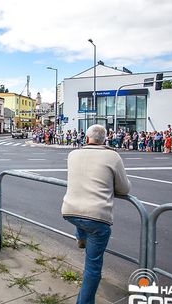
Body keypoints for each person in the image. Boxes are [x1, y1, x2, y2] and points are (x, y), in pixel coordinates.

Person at [61, 124, 131, 303]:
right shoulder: (112, 156)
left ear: (86, 139)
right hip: (97, 217)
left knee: (81, 221)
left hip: (70, 211)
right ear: (105, 139)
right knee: (92, 267)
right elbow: (123, 189)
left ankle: (81, 236)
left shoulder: (73, 154)